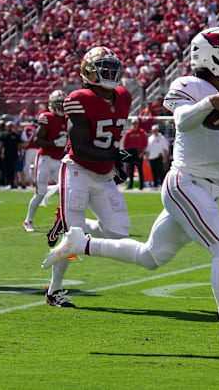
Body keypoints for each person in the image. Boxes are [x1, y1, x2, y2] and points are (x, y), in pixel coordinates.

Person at [42, 28, 219, 354]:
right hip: (186, 183)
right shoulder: (188, 86)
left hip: (209, 189)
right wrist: (210, 102)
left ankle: (81, 244)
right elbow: (182, 120)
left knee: (150, 257)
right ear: (215, 59)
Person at [42, 46, 138, 307]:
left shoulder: (123, 96)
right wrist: (119, 156)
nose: (110, 73)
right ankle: (54, 291)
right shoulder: (79, 97)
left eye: (112, 68)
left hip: (104, 174)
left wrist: (115, 157)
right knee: (72, 236)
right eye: (103, 68)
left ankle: (79, 225)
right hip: (77, 170)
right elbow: (81, 146)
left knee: (119, 232)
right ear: (88, 72)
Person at [23, 90, 68, 232]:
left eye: (63, 104)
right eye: (58, 104)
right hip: (44, 159)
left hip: (58, 160)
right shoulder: (47, 117)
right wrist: (55, 142)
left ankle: (66, 222)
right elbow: (37, 140)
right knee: (40, 193)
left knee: (67, 190)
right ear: (51, 105)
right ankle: (28, 221)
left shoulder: (68, 119)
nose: (61, 107)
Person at [121, 118, 148, 190]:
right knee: (131, 171)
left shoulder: (142, 132)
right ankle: (130, 185)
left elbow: (145, 144)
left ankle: (141, 186)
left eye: (136, 123)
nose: (135, 125)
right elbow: (125, 144)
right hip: (131, 154)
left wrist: (142, 153)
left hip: (139, 154)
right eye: (133, 123)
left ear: (138, 124)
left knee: (140, 170)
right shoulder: (128, 133)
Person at [145, 124, 169, 189]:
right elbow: (147, 149)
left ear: (158, 130)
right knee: (154, 172)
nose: (155, 131)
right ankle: (155, 185)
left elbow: (166, 149)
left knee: (160, 171)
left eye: (156, 130)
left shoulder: (161, 138)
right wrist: (147, 158)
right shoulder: (150, 138)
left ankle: (162, 184)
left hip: (159, 156)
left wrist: (165, 157)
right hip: (151, 157)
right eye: (153, 130)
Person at [0, 122, 22, 189]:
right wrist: (0, 153)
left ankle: (12, 183)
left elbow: (19, 145)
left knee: (13, 169)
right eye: (9, 126)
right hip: (6, 154)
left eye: (11, 126)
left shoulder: (16, 135)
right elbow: (1, 144)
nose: (10, 128)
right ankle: (7, 182)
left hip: (14, 154)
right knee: (6, 169)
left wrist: (20, 153)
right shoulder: (3, 134)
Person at [22, 121, 39, 188]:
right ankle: (34, 181)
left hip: (29, 149)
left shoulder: (27, 128)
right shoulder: (38, 128)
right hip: (37, 148)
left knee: (27, 165)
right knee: (35, 166)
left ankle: (24, 180)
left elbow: (25, 138)